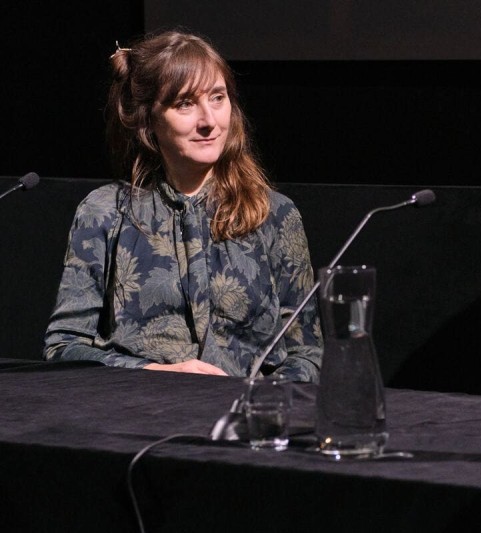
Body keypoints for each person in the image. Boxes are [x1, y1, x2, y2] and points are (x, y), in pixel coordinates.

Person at [44, 30, 322, 380]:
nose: (208, 121)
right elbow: (64, 346)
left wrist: (259, 401)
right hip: (139, 417)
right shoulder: (106, 212)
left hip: (246, 421)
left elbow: (307, 355)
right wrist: (155, 372)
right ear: (148, 121)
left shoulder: (275, 214)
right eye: (185, 104)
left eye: (218, 98)